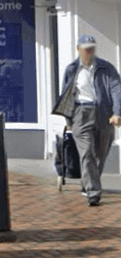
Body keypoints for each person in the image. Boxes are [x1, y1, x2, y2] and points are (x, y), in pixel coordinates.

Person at [56, 34, 121, 206]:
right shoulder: (71, 69)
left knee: (100, 154)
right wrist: (69, 120)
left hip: (103, 113)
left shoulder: (106, 68)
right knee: (87, 153)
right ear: (79, 49)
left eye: (92, 48)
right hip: (81, 113)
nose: (89, 52)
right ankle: (93, 192)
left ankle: (88, 183)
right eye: (86, 49)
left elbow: (116, 90)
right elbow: (65, 94)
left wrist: (117, 112)